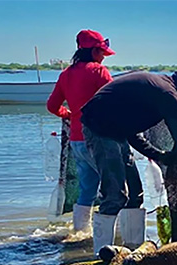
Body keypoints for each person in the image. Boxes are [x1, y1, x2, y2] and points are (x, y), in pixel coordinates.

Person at [81, 62, 177, 254]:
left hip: (115, 130)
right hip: (100, 129)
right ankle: (100, 255)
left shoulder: (161, 87)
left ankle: (133, 250)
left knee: (135, 194)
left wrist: (159, 156)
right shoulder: (168, 95)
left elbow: (131, 132)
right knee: (114, 195)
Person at [46, 29, 115, 233]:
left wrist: (68, 114)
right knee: (114, 189)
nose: (104, 57)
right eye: (102, 52)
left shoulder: (66, 74)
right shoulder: (99, 72)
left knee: (87, 190)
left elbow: (52, 106)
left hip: (76, 140)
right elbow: (114, 100)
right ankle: (109, 237)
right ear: (94, 51)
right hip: (99, 140)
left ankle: (80, 233)